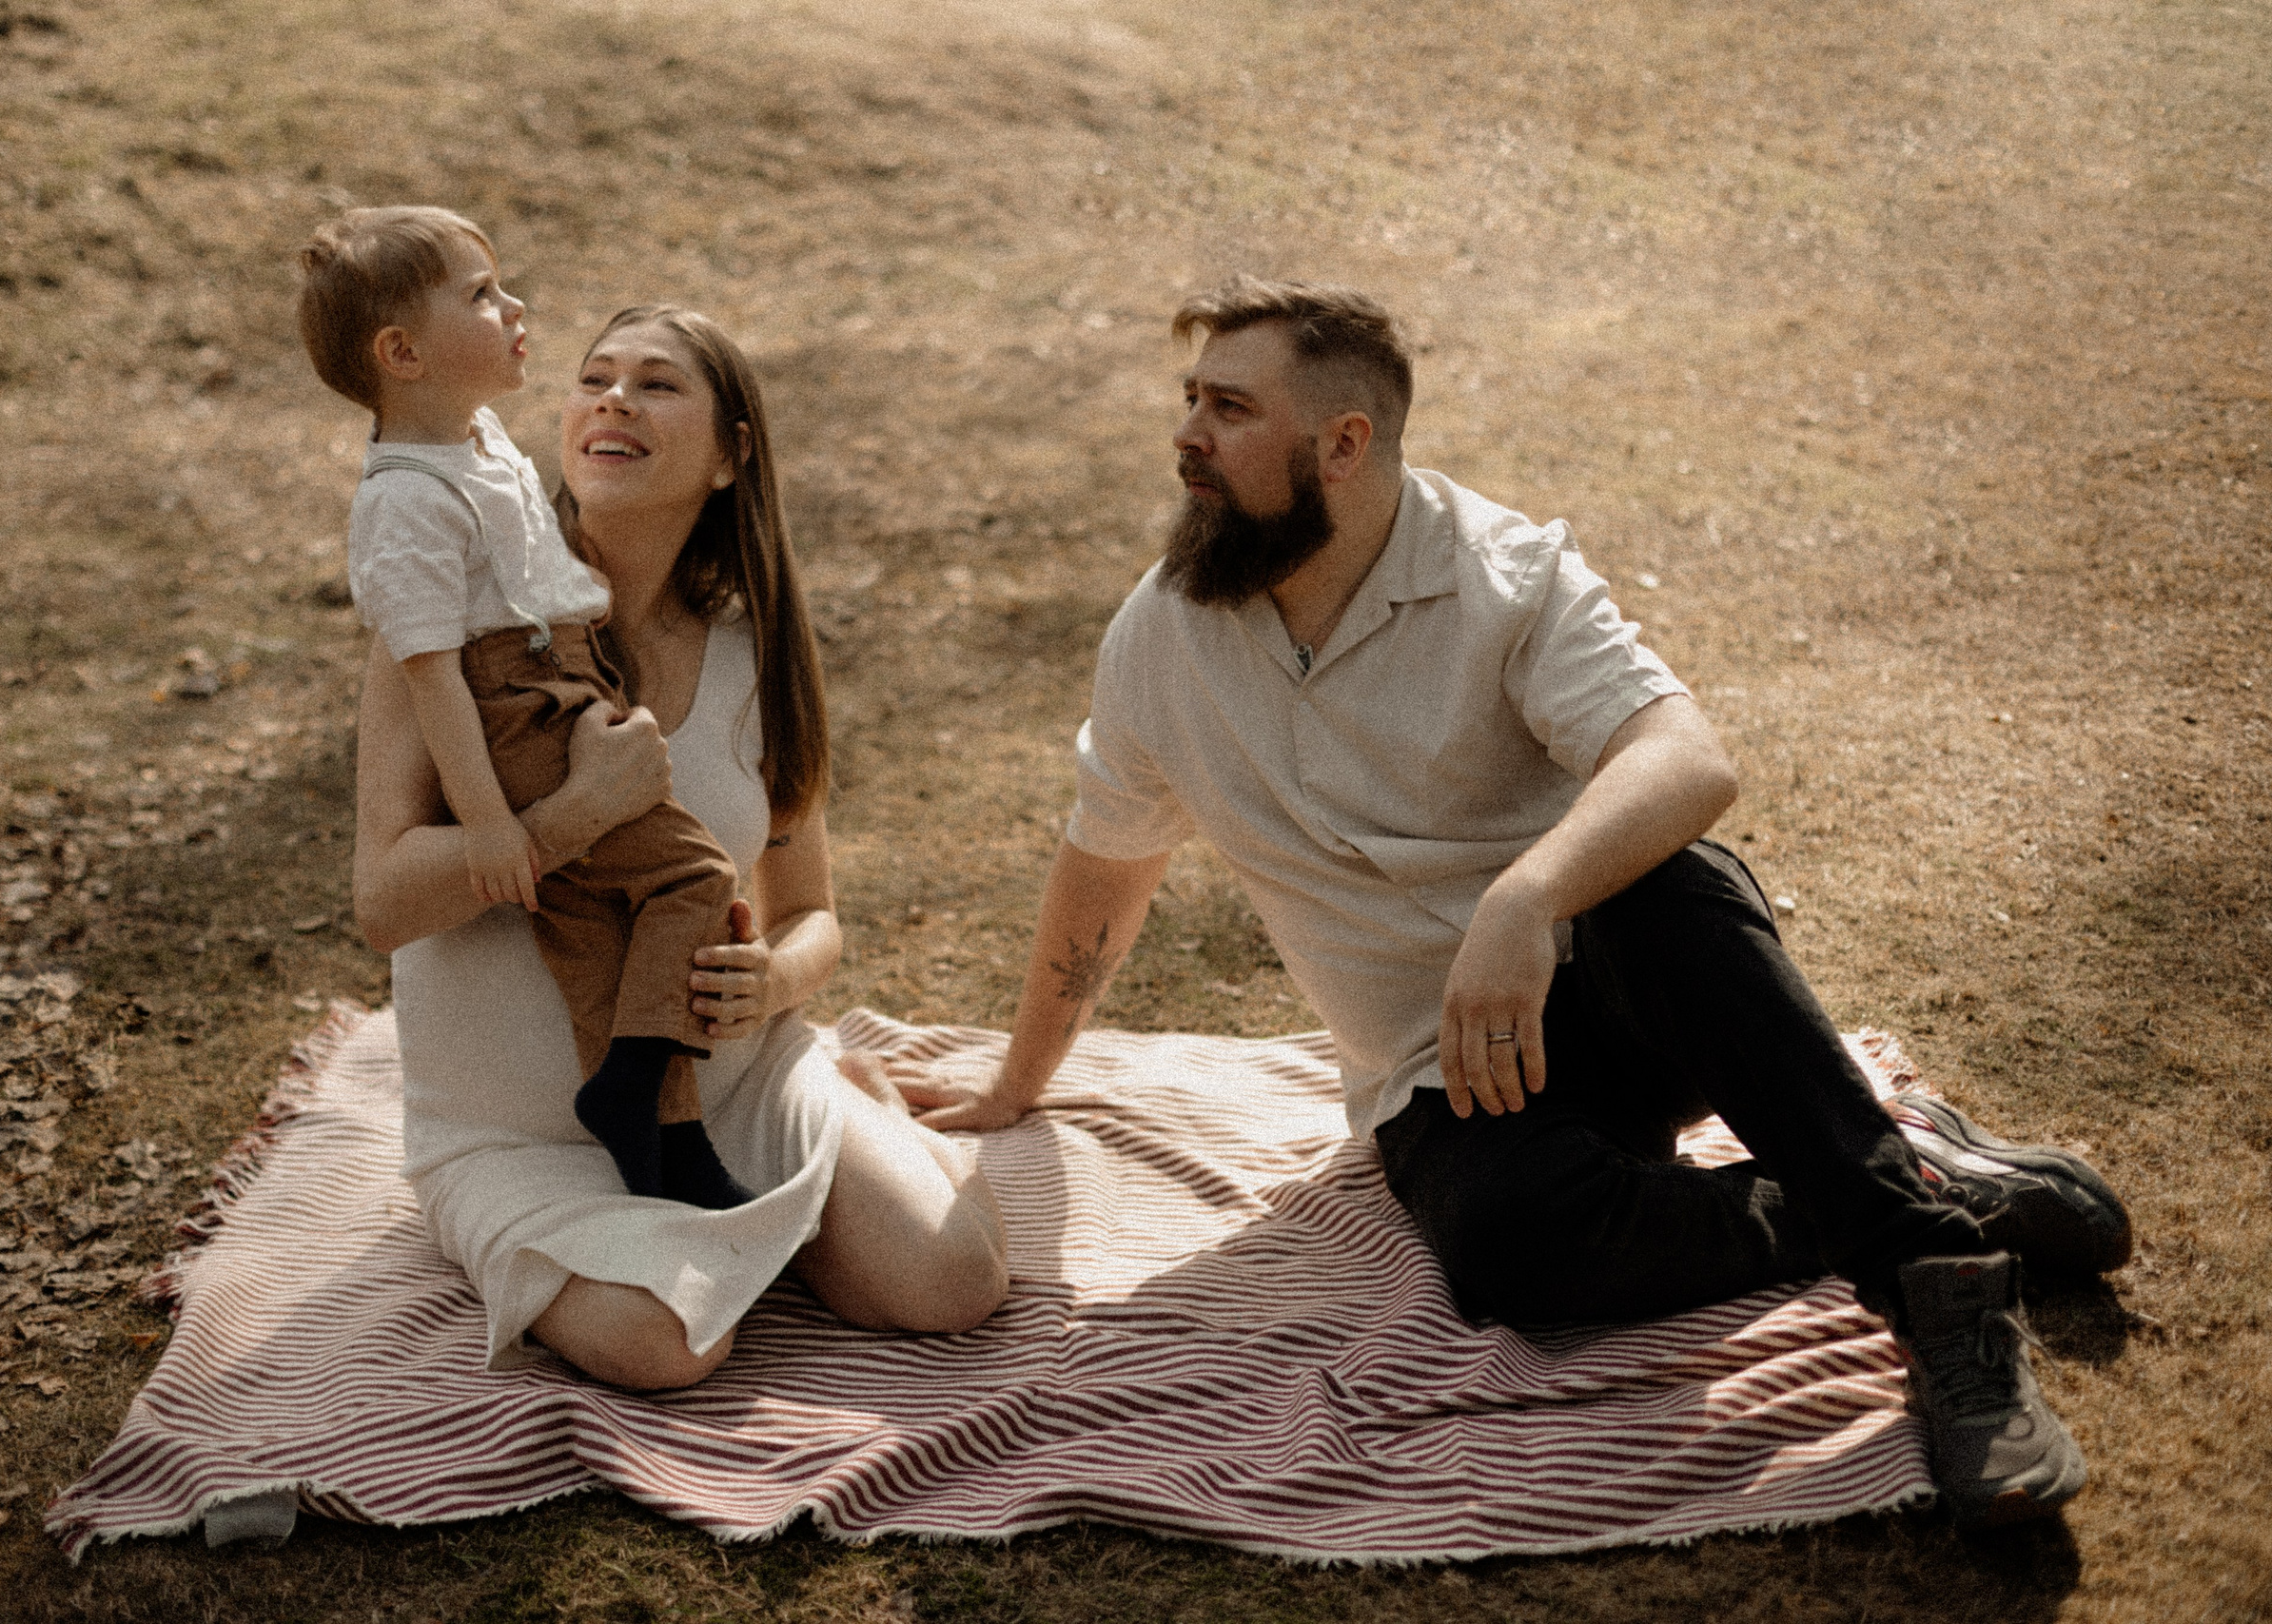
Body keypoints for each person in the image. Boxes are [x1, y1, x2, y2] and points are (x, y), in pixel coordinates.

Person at [890, 275, 2131, 1528]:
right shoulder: (1162, 635)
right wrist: (1019, 1074)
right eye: (1190, 401)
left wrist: (1527, 899)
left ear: (1344, 442)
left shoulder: (1503, 574)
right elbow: (1106, 865)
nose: (1187, 437)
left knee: (1671, 882)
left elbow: (1686, 755)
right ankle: (1902, 1179)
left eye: (1228, 407)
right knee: (1512, 1253)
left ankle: (1942, 1304)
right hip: (1443, 1073)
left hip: (1608, 986)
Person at [354, 303, 1008, 1390]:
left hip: (734, 1096)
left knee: (953, 1283)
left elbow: (810, 912)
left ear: (728, 456)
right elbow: (383, 902)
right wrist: (572, 816)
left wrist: (772, 980)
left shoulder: (757, 656)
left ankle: (844, 1112)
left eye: (657, 384)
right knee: (672, 1346)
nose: (612, 398)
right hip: (519, 1141)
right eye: (594, 377)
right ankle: (601, 1229)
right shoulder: (448, 622)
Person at [300, 205, 747, 1208]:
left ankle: (660, 1147)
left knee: (592, 934)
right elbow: (435, 676)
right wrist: (504, 826)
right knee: (692, 874)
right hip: (519, 696)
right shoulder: (404, 500)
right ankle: (638, 1086)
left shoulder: (479, 439)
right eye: (482, 295)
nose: (516, 308)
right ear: (403, 352)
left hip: (559, 673)